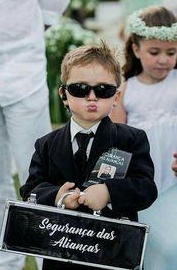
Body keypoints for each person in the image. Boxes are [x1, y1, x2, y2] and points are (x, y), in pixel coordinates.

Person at [20, 41, 158, 270]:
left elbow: (146, 188)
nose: (92, 97)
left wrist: (109, 192)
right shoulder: (46, 144)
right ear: (64, 94)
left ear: (116, 96)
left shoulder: (131, 140)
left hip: (114, 254)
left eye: (103, 90)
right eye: (80, 89)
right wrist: (57, 196)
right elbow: (30, 190)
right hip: (61, 253)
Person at [0, 0, 70, 270]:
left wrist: (31, 30)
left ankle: (46, 263)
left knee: (38, 181)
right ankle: (5, 264)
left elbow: (55, 2)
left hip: (23, 75)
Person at [110, 5, 177, 270]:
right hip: (145, 170)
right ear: (136, 49)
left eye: (171, 52)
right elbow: (118, 139)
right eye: (154, 52)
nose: (163, 59)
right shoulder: (126, 89)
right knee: (149, 227)